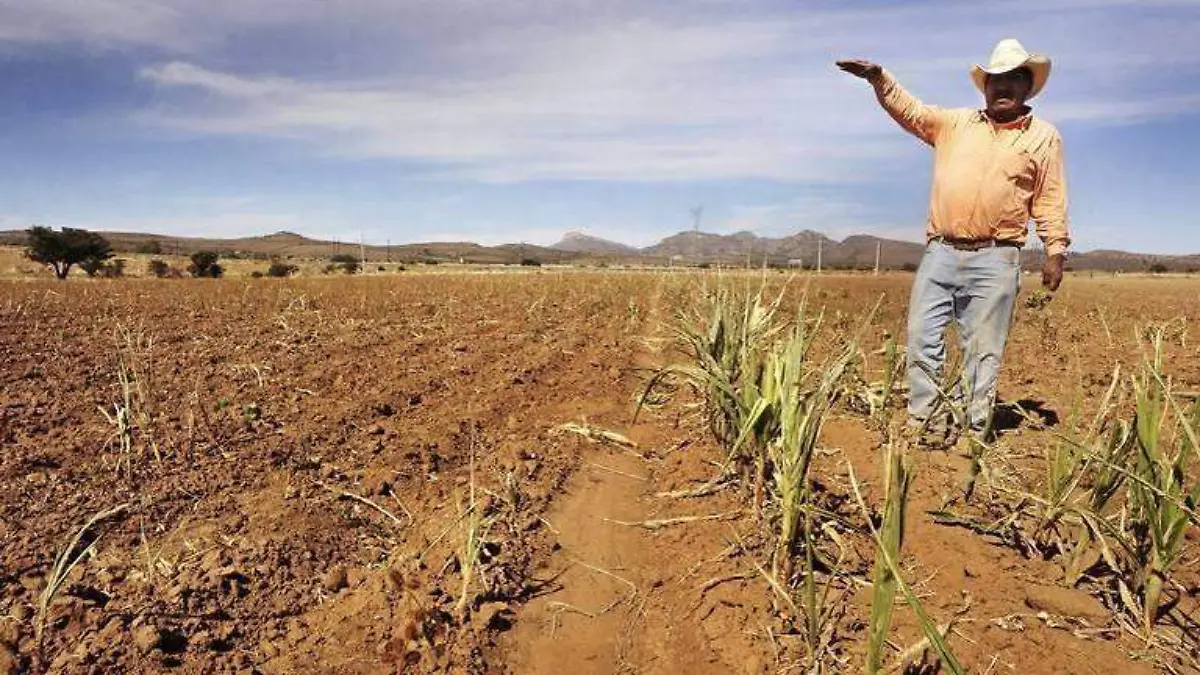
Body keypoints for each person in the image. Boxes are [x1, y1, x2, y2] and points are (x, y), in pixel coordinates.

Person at [837, 39, 1070, 444]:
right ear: (985, 87)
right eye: (996, 80)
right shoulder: (955, 123)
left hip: (997, 258)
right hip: (941, 252)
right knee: (922, 341)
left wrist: (1055, 250)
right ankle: (925, 425)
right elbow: (912, 111)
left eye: (1013, 79)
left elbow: (1049, 196)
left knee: (983, 351)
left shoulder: (1043, 136)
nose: (1003, 88)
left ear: (1026, 88)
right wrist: (879, 78)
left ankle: (971, 432)